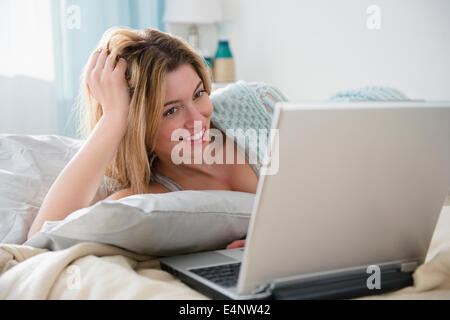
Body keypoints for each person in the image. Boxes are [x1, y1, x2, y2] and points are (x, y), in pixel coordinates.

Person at [26, 27, 261, 249]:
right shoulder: (150, 197)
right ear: (136, 125)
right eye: (171, 110)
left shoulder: (255, 105)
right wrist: (113, 117)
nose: (197, 120)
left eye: (198, 94)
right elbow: (42, 239)